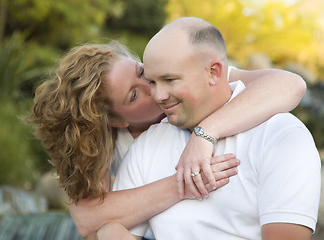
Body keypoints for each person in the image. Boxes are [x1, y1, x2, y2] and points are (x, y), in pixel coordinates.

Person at [28, 38, 307, 239]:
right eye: (134, 95)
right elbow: (89, 220)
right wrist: (185, 182)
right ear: (116, 120)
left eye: (140, 72)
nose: (153, 88)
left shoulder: (180, 76)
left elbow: (290, 84)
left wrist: (205, 134)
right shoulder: (105, 141)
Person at [113, 17, 321, 240]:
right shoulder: (147, 145)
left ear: (213, 72)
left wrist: (204, 134)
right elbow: (112, 229)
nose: (158, 96)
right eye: (153, 82)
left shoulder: (282, 136)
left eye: (170, 79)